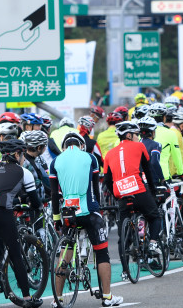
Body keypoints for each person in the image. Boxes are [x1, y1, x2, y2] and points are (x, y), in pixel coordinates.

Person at [49, 132, 123, 307]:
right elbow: (95, 188)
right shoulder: (90, 158)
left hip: (68, 213)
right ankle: (107, 297)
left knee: (65, 253)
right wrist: (98, 209)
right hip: (89, 211)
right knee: (102, 252)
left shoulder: (56, 161)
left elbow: (54, 194)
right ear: (82, 145)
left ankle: (57, 299)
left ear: (64, 146)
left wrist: (56, 218)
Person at [0, 139, 43, 308]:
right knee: (16, 255)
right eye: (22, 154)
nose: (24, 159)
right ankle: (28, 299)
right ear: (16, 154)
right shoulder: (23, 172)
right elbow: (34, 200)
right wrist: (35, 206)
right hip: (2, 213)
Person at [102, 121, 162, 266]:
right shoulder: (140, 146)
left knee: (123, 235)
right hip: (138, 189)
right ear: (129, 135)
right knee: (155, 217)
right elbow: (148, 170)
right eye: (137, 134)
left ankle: (124, 270)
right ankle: (153, 244)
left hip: (121, 192)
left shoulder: (109, 154)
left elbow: (107, 180)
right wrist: (153, 192)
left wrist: (116, 194)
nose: (139, 137)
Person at [19, 130, 51, 197]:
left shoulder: (36, 158)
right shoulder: (25, 163)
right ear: (39, 148)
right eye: (45, 146)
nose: (46, 148)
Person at [137, 116, 164, 185]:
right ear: (153, 132)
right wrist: (162, 178)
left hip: (139, 179)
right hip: (152, 179)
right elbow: (154, 162)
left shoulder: (136, 145)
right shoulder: (156, 145)